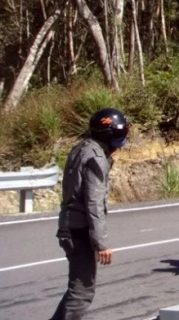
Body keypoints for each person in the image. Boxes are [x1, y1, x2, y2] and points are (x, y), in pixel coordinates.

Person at [52, 107, 129, 320]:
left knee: (76, 289)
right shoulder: (96, 158)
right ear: (109, 136)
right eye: (119, 138)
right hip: (79, 231)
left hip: (69, 226)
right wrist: (101, 243)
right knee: (81, 292)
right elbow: (94, 203)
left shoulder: (81, 149)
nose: (121, 145)